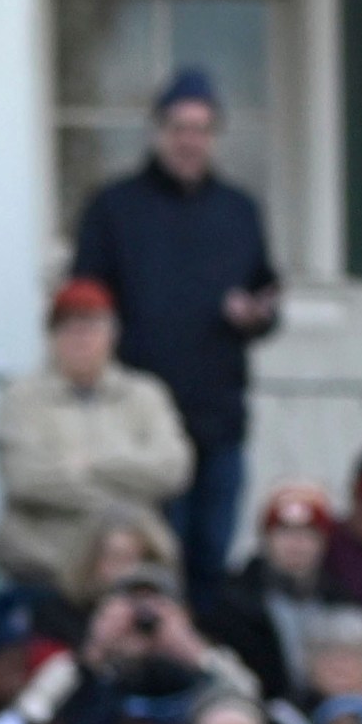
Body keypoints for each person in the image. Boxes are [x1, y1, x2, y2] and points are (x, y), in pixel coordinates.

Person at [68, 70, 285, 570]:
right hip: (138, 424)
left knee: (211, 552)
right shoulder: (113, 207)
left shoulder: (239, 211)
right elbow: (84, 302)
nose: (190, 140)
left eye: (202, 129)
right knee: (149, 554)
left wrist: (253, 317)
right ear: (157, 131)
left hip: (218, 418)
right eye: (179, 128)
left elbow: (266, 297)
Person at [0, 280, 194, 603]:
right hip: (45, 569)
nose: (81, 339)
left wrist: (90, 464)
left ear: (112, 335)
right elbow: (25, 479)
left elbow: (172, 469)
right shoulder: (23, 398)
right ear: (52, 338)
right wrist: (125, 497)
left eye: (91, 327)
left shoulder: (144, 395)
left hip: (133, 570)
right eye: (70, 329)